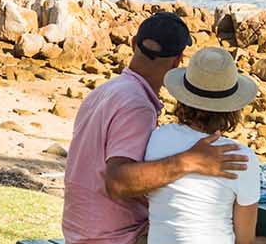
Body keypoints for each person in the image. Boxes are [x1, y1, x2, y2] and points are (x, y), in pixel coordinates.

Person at [63, 12, 248, 244]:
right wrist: (190, 161)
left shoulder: (106, 91)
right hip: (116, 237)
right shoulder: (137, 104)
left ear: (133, 44)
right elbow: (118, 182)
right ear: (177, 61)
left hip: (80, 232)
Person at [144, 46, 266, 244]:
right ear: (232, 108)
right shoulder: (240, 157)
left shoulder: (157, 138)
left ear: (183, 99)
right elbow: (245, 241)